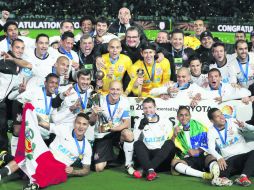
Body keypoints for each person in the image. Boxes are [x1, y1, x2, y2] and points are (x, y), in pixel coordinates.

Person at [0, 111, 92, 190]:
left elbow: (86, 170)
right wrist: (30, 112)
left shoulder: (87, 147)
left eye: (84, 124)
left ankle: (35, 184)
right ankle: (1, 172)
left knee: (61, 174)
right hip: (46, 156)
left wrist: (73, 171)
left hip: (59, 167)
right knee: (27, 156)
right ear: (74, 123)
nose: (81, 127)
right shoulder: (64, 129)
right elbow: (42, 123)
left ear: (88, 126)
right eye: (78, 123)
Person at [171, 106, 231, 186]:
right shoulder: (175, 129)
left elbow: (209, 144)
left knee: (211, 157)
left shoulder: (199, 126)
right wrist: (174, 136)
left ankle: (216, 175)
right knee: (174, 162)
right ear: (177, 117)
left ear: (190, 116)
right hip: (189, 159)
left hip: (203, 156)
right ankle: (205, 175)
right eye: (181, 115)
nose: (184, 117)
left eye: (186, 115)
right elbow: (170, 146)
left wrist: (198, 150)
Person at [90, 80, 135, 175]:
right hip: (102, 134)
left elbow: (127, 123)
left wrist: (114, 128)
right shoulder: (99, 100)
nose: (115, 92)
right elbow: (91, 122)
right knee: (98, 168)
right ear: (108, 90)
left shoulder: (125, 101)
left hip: (117, 132)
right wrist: (94, 114)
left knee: (128, 134)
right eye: (112, 89)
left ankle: (128, 164)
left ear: (122, 90)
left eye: (118, 89)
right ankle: (112, 156)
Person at [207, 108, 254, 186]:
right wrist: (219, 157)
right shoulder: (211, 131)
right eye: (217, 116)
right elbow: (211, 148)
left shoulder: (232, 121)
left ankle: (243, 177)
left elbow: (253, 128)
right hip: (230, 159)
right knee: (220, 171)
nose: (222, 117)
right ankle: (227, 177)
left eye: (221, 114)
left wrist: (245, 125)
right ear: (212, 120)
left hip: (245, 155)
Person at [133, 97, 175, 181]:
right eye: (145, 108)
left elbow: (170, 138)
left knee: (170, 143)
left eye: (150, 107)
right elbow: (134, 139)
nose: (148, 110)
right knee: (138, 144)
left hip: (162, 157)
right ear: (142, 109)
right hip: (147, 157)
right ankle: (151, 170)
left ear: (155, 108)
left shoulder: (165, 121)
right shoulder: (139, 121)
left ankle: (145, 170)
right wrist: (140, 127)